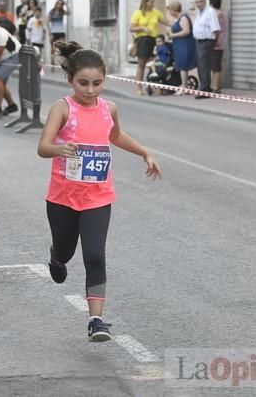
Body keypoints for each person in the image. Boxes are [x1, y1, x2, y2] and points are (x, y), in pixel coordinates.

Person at [37, 41, 162, 341]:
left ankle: (97, 320)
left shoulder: (110, 109)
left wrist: (145, 152)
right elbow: (43, 147)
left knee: (94, 255)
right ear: (70, 80)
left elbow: (116, 136)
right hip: (63, 198)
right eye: (83, 83)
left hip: (97, 196)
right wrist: (59, 148)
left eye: (97, 83)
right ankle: (56, 257)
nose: (91, 90)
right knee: (67, 251)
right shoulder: (62, 108)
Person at [130, 0, 167, 94]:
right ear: (145, 2)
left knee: (154, 63)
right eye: (151, 2)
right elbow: (131, 28)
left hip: (153, 40)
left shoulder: (156, 13)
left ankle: (153, 84)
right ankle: (139, 88)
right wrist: (142, 28)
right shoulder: (138, 13)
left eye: (153, 2)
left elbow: (166, 21)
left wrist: (178, 22)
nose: (152, 4)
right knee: (141, 64)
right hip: (142, 40)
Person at [192, 0, 221, 99]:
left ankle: (204, 89)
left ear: (205, 1)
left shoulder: (210, 12)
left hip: (207, 41)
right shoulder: (199, 13)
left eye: (200, 1)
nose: (198, 4)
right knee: (201, 65)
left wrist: (214, 42)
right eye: (196, 2)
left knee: (204, 65)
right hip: (199, 41)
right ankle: (204, 87)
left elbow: (216, 29)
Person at [166, 1, 197, 95]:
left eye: (170, 10)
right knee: (182, 65)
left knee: (183, 65)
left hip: (185, 45)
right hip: (180, 45)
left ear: (173, 10)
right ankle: (184, 85)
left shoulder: (183, 18)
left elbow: (186, 31)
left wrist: (173, 35)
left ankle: (184, 86)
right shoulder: (178, 18)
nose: (169, 13)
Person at [209, 0, 226, 93]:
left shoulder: (217, 14)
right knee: (215, 65)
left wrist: (214, 40)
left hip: (217, 43)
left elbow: (217, 30)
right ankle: (216, 86)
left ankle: (216, 87)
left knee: (216, 66)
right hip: (219, 42)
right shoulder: (219, 13)